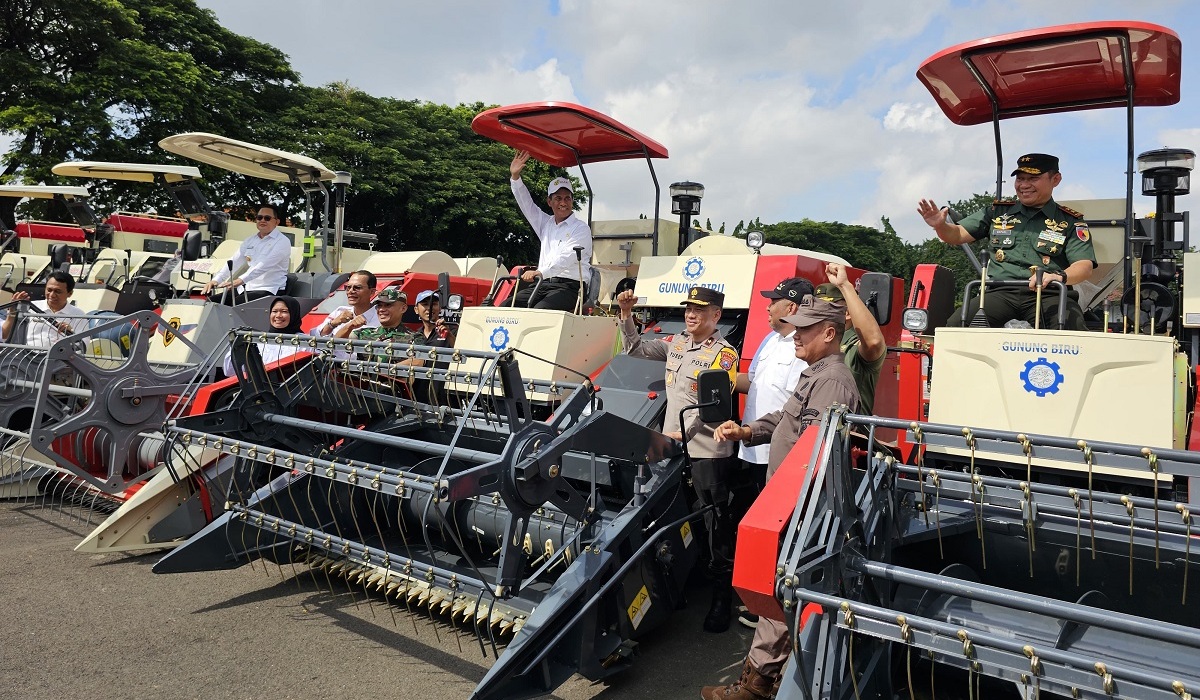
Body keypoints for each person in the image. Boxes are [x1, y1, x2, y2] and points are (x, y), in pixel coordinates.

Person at [701, 292, 861, 700]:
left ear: (829, 333)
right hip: (788, 500)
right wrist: (747, 431)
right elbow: (785, 418)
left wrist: (789, 509)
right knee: (777, 590)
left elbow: (813, 454)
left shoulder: (831, 381)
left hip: (798, 504)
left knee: (779, 590)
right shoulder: (815, 374)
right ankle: (763, 682)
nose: (795, 335)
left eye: (804, 329)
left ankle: (755, 686)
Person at [617, 285, 740, 633]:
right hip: (672, 447)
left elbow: (713, 403)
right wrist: (626, 315)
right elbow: (636, 347)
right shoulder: (678, 343)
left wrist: (683, 434)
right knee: (676, 513)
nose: (690, 314)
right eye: (688, 308)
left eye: (699, 310)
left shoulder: (723, 355)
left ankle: (721, 599)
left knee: (715, 522)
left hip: (704, 451)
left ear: (716, 316)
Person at [916, 153, 1097, 330]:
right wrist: (940, 226)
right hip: (1000, 291)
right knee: (957, 326)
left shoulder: (1070, 221)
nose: (1024, 185)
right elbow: (957, 235)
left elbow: (1084, 265)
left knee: (1071, 327)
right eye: (1020, 179)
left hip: (1048, 293)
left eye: (1033, 179)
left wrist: (1057, 277)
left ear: (1055, 179)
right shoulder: (998, 212)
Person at [731, 276, 812, 631]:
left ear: (791, 308)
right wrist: (719, 375)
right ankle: (758, 595)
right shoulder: (768, 340)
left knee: (776, 533)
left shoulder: (801, 348)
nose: (767, 306)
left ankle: (771, 607)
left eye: (773, 301)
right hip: (751, 449)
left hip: (778, 456)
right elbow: (755, 383)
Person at [504, 150, 592, 311]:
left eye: (567, 198)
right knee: (506, 306)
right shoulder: (546, 223)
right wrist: (515, 178)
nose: (563, 203)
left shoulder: (581, 229)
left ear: (572, 200)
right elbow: (527, 205)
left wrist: (540, 272)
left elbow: (566, 258)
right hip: (542, 284)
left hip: (570, 288)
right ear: (549, 201)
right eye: (558, 198)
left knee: (539, 310)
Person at [820, 263, 888, 414]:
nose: (818, 313)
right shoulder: (810, 342)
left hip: (848, 434)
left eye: (827, 307)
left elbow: (874, 342)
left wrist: (845, 286)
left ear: (848, 313)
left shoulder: (853, 346)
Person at [203, 204, 292, 303]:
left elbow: (263, 266)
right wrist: (216, 280)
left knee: (236, 305)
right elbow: (234, 261)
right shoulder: (250, 240)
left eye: (267, 218)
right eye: (259, 217)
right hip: (247, 288)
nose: (262, 220)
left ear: (277, 222)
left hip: (269, 289)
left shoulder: (283, 241)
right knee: (210, 302)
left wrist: (240, 280)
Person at [222, 296, 306, 376]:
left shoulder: (304, 341)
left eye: (284, 311)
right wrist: (238, 348)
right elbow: (229, 371)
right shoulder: (259, 340)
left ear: (294, 314)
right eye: (274, 311)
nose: (278, 315)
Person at [2, 270, 87, 347]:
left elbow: (83, 347)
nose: (52, 295)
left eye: (58, 291)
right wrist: (12, 311)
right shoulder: (30, 308)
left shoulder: (79, 315)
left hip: (61, 362)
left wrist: (71, 335)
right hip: (26, 360)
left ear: (70, 293)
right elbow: (5, 335)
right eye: (49, 290)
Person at [338, 287, 419, 363]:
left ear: (403, 308)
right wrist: (349, 326)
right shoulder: (364, 333)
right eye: (379, 305)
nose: (381, 310)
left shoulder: (413, 338)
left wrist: (384, 371)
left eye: (388, 305)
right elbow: (335, 345)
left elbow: (418, 362)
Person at [410, 289, 455, 404]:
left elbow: (463, 353)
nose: (429, 308)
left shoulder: (452, 331)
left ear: (439, 308)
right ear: (416, 310)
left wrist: (449, 335)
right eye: (425, 304)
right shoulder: (413, 336)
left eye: (434, 304)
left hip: (446, 399)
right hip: (418, 398)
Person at [312, 270, 379, 338]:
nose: (351, 291)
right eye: (348, 287)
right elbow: (317, 337)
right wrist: (333, 324)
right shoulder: (339, 312)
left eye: (357, 287)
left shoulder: (382, 317)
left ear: (372, 292)